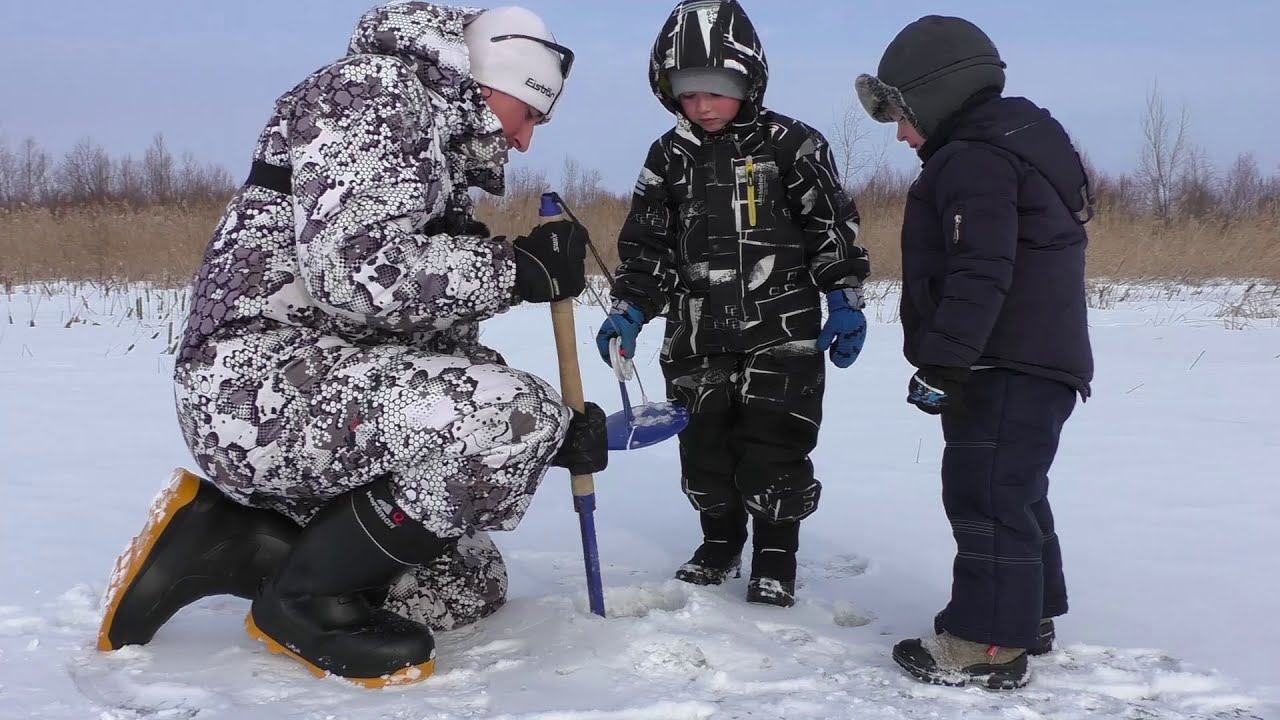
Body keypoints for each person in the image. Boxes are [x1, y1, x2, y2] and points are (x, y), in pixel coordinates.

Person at [96, 2, 607, 687]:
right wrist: (514, 271)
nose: (526, 143)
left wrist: (552, 441)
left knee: (465, 586)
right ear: (508, 85)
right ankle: (306, 604)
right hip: (256, 384)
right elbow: (353, 274)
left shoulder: (434, 146)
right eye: (533, 117)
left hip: (324, 383)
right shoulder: (377, 94)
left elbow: (425, 346)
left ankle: (226, 540)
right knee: (511, 415)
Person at [597, 0, 871, 608]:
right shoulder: (666, 156)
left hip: (784, 331)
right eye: (688, 93)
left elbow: (829, 227)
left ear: (750, 80)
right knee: (704, 452)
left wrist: (844, 298)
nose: (703, 105)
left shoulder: (792, 144)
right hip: (696, 336)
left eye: (719, 89)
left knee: (776, 446)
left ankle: (776, 557)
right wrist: (632, 308)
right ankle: (719, 542)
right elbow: (647, 247)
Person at [856, 15, 1095, 689]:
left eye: (902, 116)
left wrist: (943, 364)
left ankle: (987, 641)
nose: (901, 135)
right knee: (1015, 491)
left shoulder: (976, 160)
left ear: (937, 95)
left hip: (1002, 362)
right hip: (1030, 361)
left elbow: (981, 269)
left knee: (984, 494)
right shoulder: (1011, 146)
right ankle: (1027, 614)